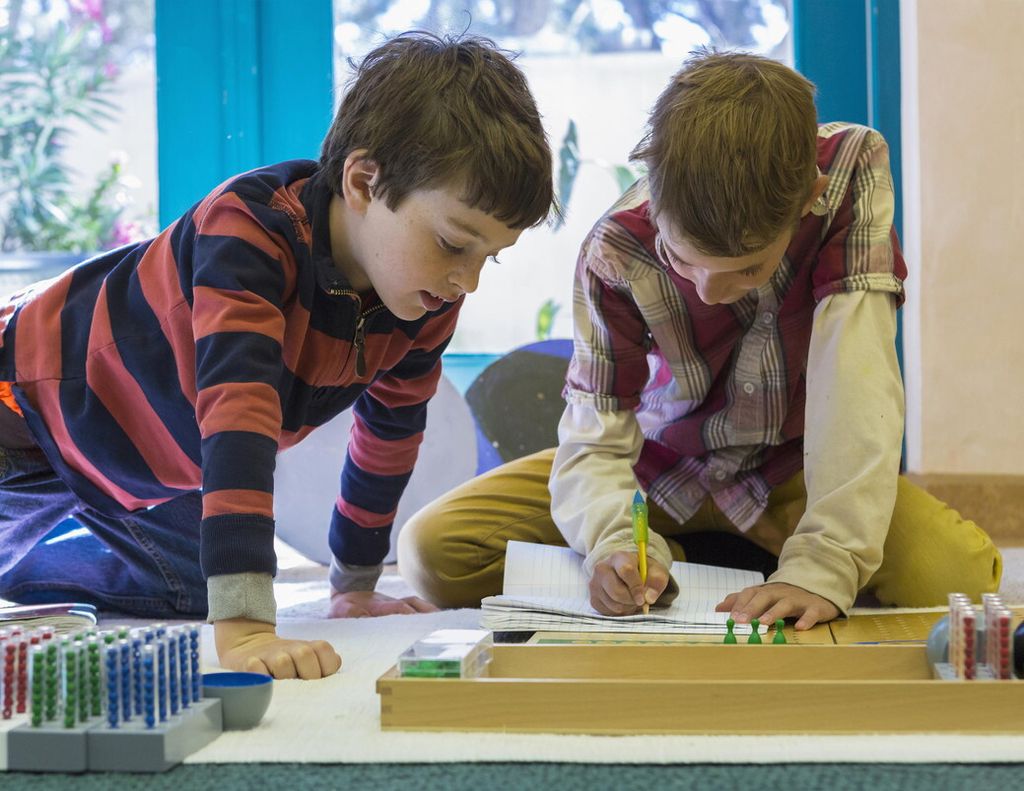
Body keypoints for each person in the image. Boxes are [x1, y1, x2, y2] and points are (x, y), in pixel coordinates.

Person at [0, 31, 554, 678]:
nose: (470, 280)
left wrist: (353, 583)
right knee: (238, 592)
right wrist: (247, 632)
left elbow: (390, 434)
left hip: (143, 467)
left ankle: (32, 545)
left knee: (208, 584)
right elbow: (239, 420)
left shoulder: (424, 296)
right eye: (454, 243)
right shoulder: (248, 233)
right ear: (364, 181)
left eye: (490, 256)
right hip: (26, 415)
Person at [398, 49, 1001, 630]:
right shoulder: (613, 248)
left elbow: (857, 388)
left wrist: (825, 563)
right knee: (433, 555)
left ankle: (770, 564)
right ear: (653, 194)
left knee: (954, 575)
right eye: (684, 262)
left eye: (746, 269)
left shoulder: (848, 174)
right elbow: (597, 433)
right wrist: (612, 544)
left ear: (808, 203)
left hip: (790, 472)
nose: (711, 291)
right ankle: (691, 567)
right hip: (655, 467)